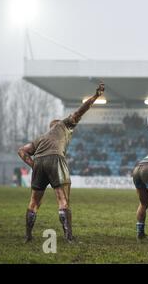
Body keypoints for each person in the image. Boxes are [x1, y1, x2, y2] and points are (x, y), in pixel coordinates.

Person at [18, 82, 105, 243]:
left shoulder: (40, 138)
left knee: (34, 202)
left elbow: (22, 151)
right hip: (55, 159)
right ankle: (69, 237)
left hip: (39, 162)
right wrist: (96, 96)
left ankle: (28, 236)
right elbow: (81, 111)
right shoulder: (64, 125)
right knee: (62, 199)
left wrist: (33, 165)